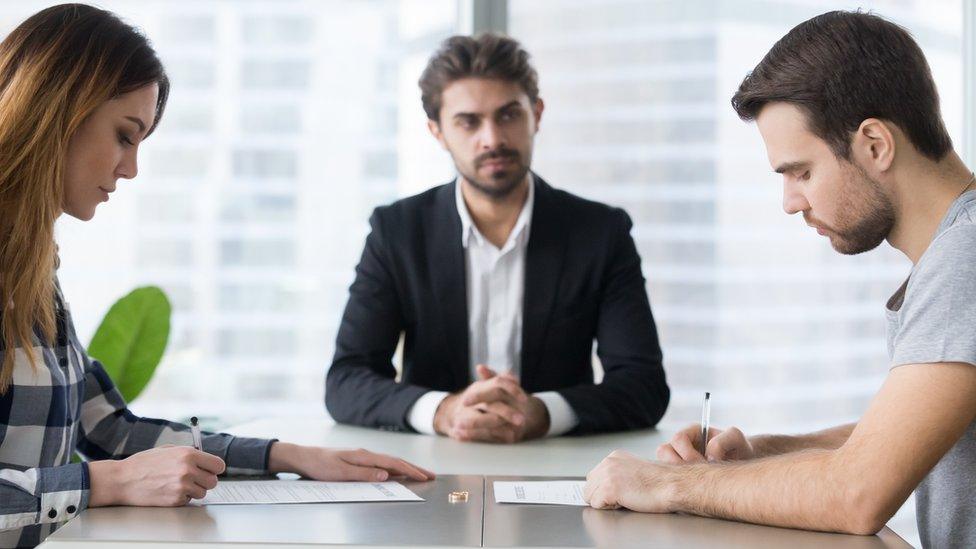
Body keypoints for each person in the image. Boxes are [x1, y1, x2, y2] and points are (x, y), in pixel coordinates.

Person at [0, 5, 432, 548]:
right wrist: (100, 483)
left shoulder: (33, 267)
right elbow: (108, 464)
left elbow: (108, 428)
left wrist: (289, 456)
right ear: (60, 108)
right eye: (124, 136)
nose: (130, 168)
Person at [583, 11, 976, 548]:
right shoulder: (954, 252)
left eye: (801, 172)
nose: (791, 203)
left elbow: (858, 493)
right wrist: (762, 455)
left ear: (876, 145)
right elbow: (904, 440)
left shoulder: (965, 260)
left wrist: (673, 484)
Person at [326, 34, 670, 442]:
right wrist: (443, 411)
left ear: (536, 115)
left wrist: (543, 413)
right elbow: (346, 381)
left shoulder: (601, 232)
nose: (492, 139)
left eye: (508, 115)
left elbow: (643, 386)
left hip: (558, 470)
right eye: (468, 121)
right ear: (437, 131)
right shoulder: (397, 231)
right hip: (432, 469)